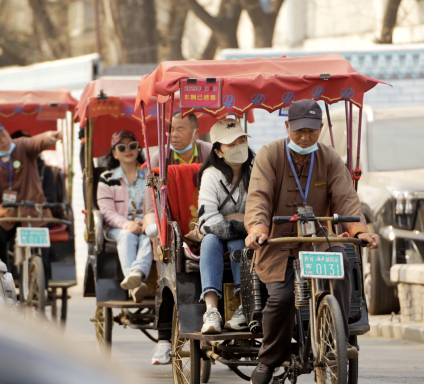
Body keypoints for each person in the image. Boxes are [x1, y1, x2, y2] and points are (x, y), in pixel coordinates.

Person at [243, 100, 380, 384]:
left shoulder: (329, 158)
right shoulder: (270, 154)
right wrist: (257, 228)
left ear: (320, 129)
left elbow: (346, 198)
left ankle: (335, 335)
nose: (305, 137)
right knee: (281, 298)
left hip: (318, 241)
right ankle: (269, 360)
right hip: (278, 242)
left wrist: (358, 230)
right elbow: (259, 196)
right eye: (299, 131)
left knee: (341, 260)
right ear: (287, 127)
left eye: (311, 131)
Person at [144, 112, 213, 365]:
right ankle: (164, 340)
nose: (173, 133)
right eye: (171, 129)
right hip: (171, 229)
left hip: (208, 224)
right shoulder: (159, 157)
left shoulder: (210, 152)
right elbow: (150, 204)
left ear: (195, 132)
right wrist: (154, 226)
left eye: (180, 129)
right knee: (169, 280)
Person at [196, 119, 254, 334]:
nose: (239, 146)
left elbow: (265, 206)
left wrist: (238, 220)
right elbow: (208, 220)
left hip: (250, 234)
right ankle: (211, 311)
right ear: (219, 152)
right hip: (217, 233)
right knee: (210, 240)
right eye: (231, 144)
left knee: (239, 240)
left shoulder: (257, 167)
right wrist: (240, 220)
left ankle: (244, 307)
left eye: (242, 140)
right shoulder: (211, 175)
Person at [0, 119, 62, 266]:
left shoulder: (21, 145)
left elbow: (36, 142)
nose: (3, 140)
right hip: (6, 215)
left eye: (3, 135)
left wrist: (49, 137)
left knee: (42, 247)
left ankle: (42, 282)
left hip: (34, 212)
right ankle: (3, 277)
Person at [97, 130, 151, 303]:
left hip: (146, 223)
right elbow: (107, 211)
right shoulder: (106, 178)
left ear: (138, 149)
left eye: (132, 146)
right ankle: (135, 281)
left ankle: (134, 277)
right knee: (128, 235)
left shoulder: (150, 175)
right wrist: (127, 224)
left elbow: (156, 204)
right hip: (117, 228)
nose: (128, 150)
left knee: (149, 235)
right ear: (114, 153)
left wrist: (146, 221)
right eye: (122, 147)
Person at [10, 130, 58, 203]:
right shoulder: (6, 169)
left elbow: (50, 200)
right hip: (10, 213)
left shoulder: (44, 171)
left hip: (37, 212)